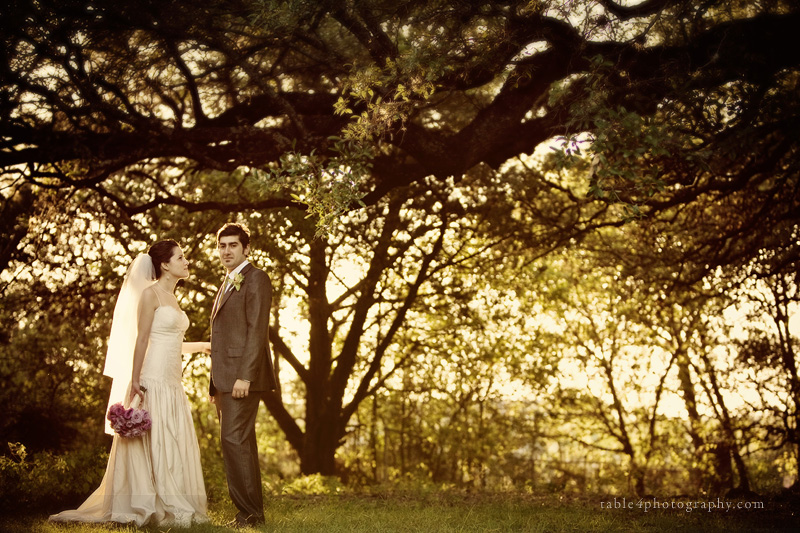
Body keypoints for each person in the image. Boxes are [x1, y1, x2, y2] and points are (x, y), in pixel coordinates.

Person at [50, 240, 209, 527]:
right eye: (181, 258)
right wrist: (136, 379)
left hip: (172, 380)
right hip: (152, 378)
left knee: (170, 438)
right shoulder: (150, 295)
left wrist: (204, 346)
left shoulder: (173, 298)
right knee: (151, 440)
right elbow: (143, 339)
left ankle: (169, 497)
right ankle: (147, 502)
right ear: (164, 265)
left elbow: (174, 342)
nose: (187, 262)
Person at [209, 222, 277, 527]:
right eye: (222, 246)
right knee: (240, 442)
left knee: (234, 440)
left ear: (246, 248)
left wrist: (245, 377)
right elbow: (222, 336)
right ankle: (251, 514)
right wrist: (215, 385)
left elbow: (256, 332)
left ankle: (249, 514)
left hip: (243, 378)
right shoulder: (226, 281)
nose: (226, 251)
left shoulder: (256, 279)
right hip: (226, 379)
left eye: (233, 245)